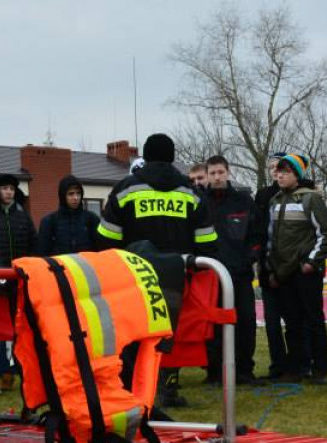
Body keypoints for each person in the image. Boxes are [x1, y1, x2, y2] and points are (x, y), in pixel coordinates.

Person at [97, 133, 218, 406]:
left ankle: (132, 390)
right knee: (170, 332)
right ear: (172, 157)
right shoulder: (191, 193)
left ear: (147, 156)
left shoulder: (126, 189)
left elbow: (106, 238)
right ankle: (166, 390)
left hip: (133, 276)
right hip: (177, 276)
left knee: (134, 334)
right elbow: (208, 241)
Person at [266, 153, 327, 384]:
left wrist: (311, 263)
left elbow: (325, 235)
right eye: (278, 171)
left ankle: (320, 368)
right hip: (283, 273)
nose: (279, 175)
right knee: (292, 324)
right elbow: (271, 239)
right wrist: (272, 270)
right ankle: (295, 368)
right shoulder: (274, 201)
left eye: (285, 171)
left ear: (297, 175)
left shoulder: (311, 199)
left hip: (305, 272)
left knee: (314, 321)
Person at [202, 155, 263, 385]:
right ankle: (215, 373)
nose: (217, 177)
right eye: (213, 173)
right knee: (214, 326)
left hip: (240, 275)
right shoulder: (199, 203)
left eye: (221, 172)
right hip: (210, 276)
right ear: (207, 175)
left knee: (246, 322)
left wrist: (249, 258)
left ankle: (245, 371)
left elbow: (257, 235)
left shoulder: (244, 201)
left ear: (228, 173)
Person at [0, 173, 36, 390]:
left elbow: (32, 241)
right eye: (5, 188)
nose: (8, 192)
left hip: (19, 275)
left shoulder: (22, 215)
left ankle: (20, 366)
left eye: (12, 189)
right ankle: (3, 371)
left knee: (19, 325)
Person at [255, 154, 291, 379]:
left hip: (291, 267)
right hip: (267, 264)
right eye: (272, 168)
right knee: (271, 321)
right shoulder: (263, 196)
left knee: (295, 320)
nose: (276, 171)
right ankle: (277, 364)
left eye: (280, 167)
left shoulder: (299, 194)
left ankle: (298, 364)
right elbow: (259, 231)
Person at [37, 175, 100, 256]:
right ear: (63, 196)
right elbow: (42, 254)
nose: (75, 197)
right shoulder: (49, 222)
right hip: (60, 267)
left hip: (85, 267)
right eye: (71, 194)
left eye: (78, 193)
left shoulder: (92, 219)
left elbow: (100, 251)